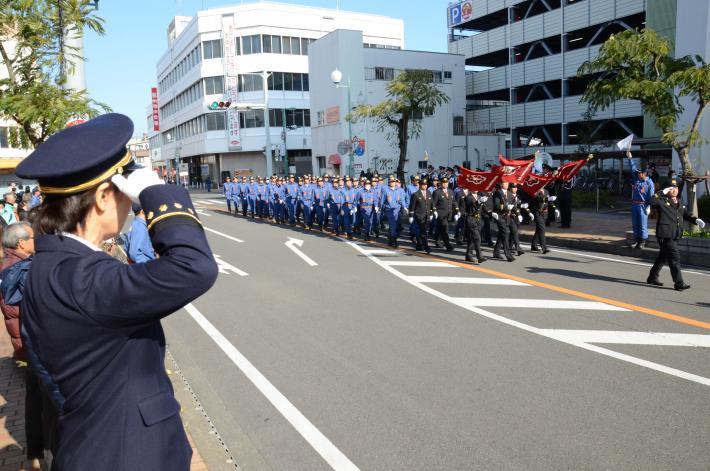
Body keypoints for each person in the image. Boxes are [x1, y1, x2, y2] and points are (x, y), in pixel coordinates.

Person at [15, 113, 218, 470]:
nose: (130, 203)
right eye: (125, 192)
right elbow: (194, 267)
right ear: (105, 197)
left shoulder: (50, 266)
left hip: (95, 442)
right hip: (126, 455)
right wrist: (156, 193)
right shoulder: (83, 279)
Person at [0, 222, 47, 470]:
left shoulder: (12, 265)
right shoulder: (19, 269)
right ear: (21, 243)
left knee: (35, 399)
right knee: (41, 401)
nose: (35, 240)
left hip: (27, 343)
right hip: (33, 344)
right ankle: (39, 453)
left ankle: (35, 452)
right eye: (32, 237)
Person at [646, 179, 705, 290]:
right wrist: (661, 192)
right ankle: (679, 283)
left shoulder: (679, 200)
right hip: (665, 235)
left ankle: (652, 277)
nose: (674, 190)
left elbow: (684, 214)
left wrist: (695, 220)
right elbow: (651, 201)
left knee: (662, 257)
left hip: (676, 234)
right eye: (672, 188)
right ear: (667, 190)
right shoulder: (661, 200)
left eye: (676, 188)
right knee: (674, 258)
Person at [626, 151, 655, 249]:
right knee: (635, 223)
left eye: (641, 173)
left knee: (643, 223)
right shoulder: (636, 179)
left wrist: (649, 206)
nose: (638, 174)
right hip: (635, 204)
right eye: (638, 173)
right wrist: (630, 158)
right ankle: (636, 240)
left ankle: (643, 241)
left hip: (644, 205)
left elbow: (651, 196)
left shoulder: (649, 183)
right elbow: (632, 168)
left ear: (645, 173)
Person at [432, 178, 458, 251]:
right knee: (445, 229)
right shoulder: (437, 192)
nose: (445, 184)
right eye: (443, 182)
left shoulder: (451, 191)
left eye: (446, 183)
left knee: (440, 229)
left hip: (449, 214)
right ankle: (448, 245)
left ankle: (437, 241)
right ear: (441, 183)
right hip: (441, 214)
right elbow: (433, 203)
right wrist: (435, 211)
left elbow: (454, 201)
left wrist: (457, 210)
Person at [492, 182, 515, 262]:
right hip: (499, 216)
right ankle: (508, 255)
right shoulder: (497, 193)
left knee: (501, 234)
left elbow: (513, 202)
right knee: (505, 232)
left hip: (507, 216)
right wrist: (506, 207)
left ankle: (496, 252)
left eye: (507, 183)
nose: (507, 184)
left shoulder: (509, 193)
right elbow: (496, 205)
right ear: (501, 184)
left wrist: (514, 208)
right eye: (505, 183)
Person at [408, 179, 432, 253]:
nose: (425, 186)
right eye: (423, 184)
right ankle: (426, 247)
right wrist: (411, 216)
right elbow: (412, 206)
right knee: (424, 232)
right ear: (420, 185)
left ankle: (419, 245)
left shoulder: (429, 193)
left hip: (427, 216)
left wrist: (431, 213)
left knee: (421, 232)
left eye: (426, 184)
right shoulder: (415, 194)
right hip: (419, 216)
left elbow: (431, 204)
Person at [462, 190, 486, 264]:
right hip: (471, 219)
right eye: (474, 188)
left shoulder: (479, 197)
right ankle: (480, 257)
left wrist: (491, 213)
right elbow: (473, 205)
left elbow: (483, 208)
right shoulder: (468, 197)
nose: (476, 189)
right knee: (477, 238)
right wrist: (479, 201)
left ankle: (468, 255)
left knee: (472, 239)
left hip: (478, 220)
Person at [529, 188, 556, 254]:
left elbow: (550, 202)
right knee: (542, 228)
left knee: (539, 229)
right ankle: (544, 248)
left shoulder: (546, 191)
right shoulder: (535, 190)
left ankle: (534, 246)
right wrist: (547, 199)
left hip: (543, 213)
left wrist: (555, 209)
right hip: (536, 212)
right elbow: (538, 199)